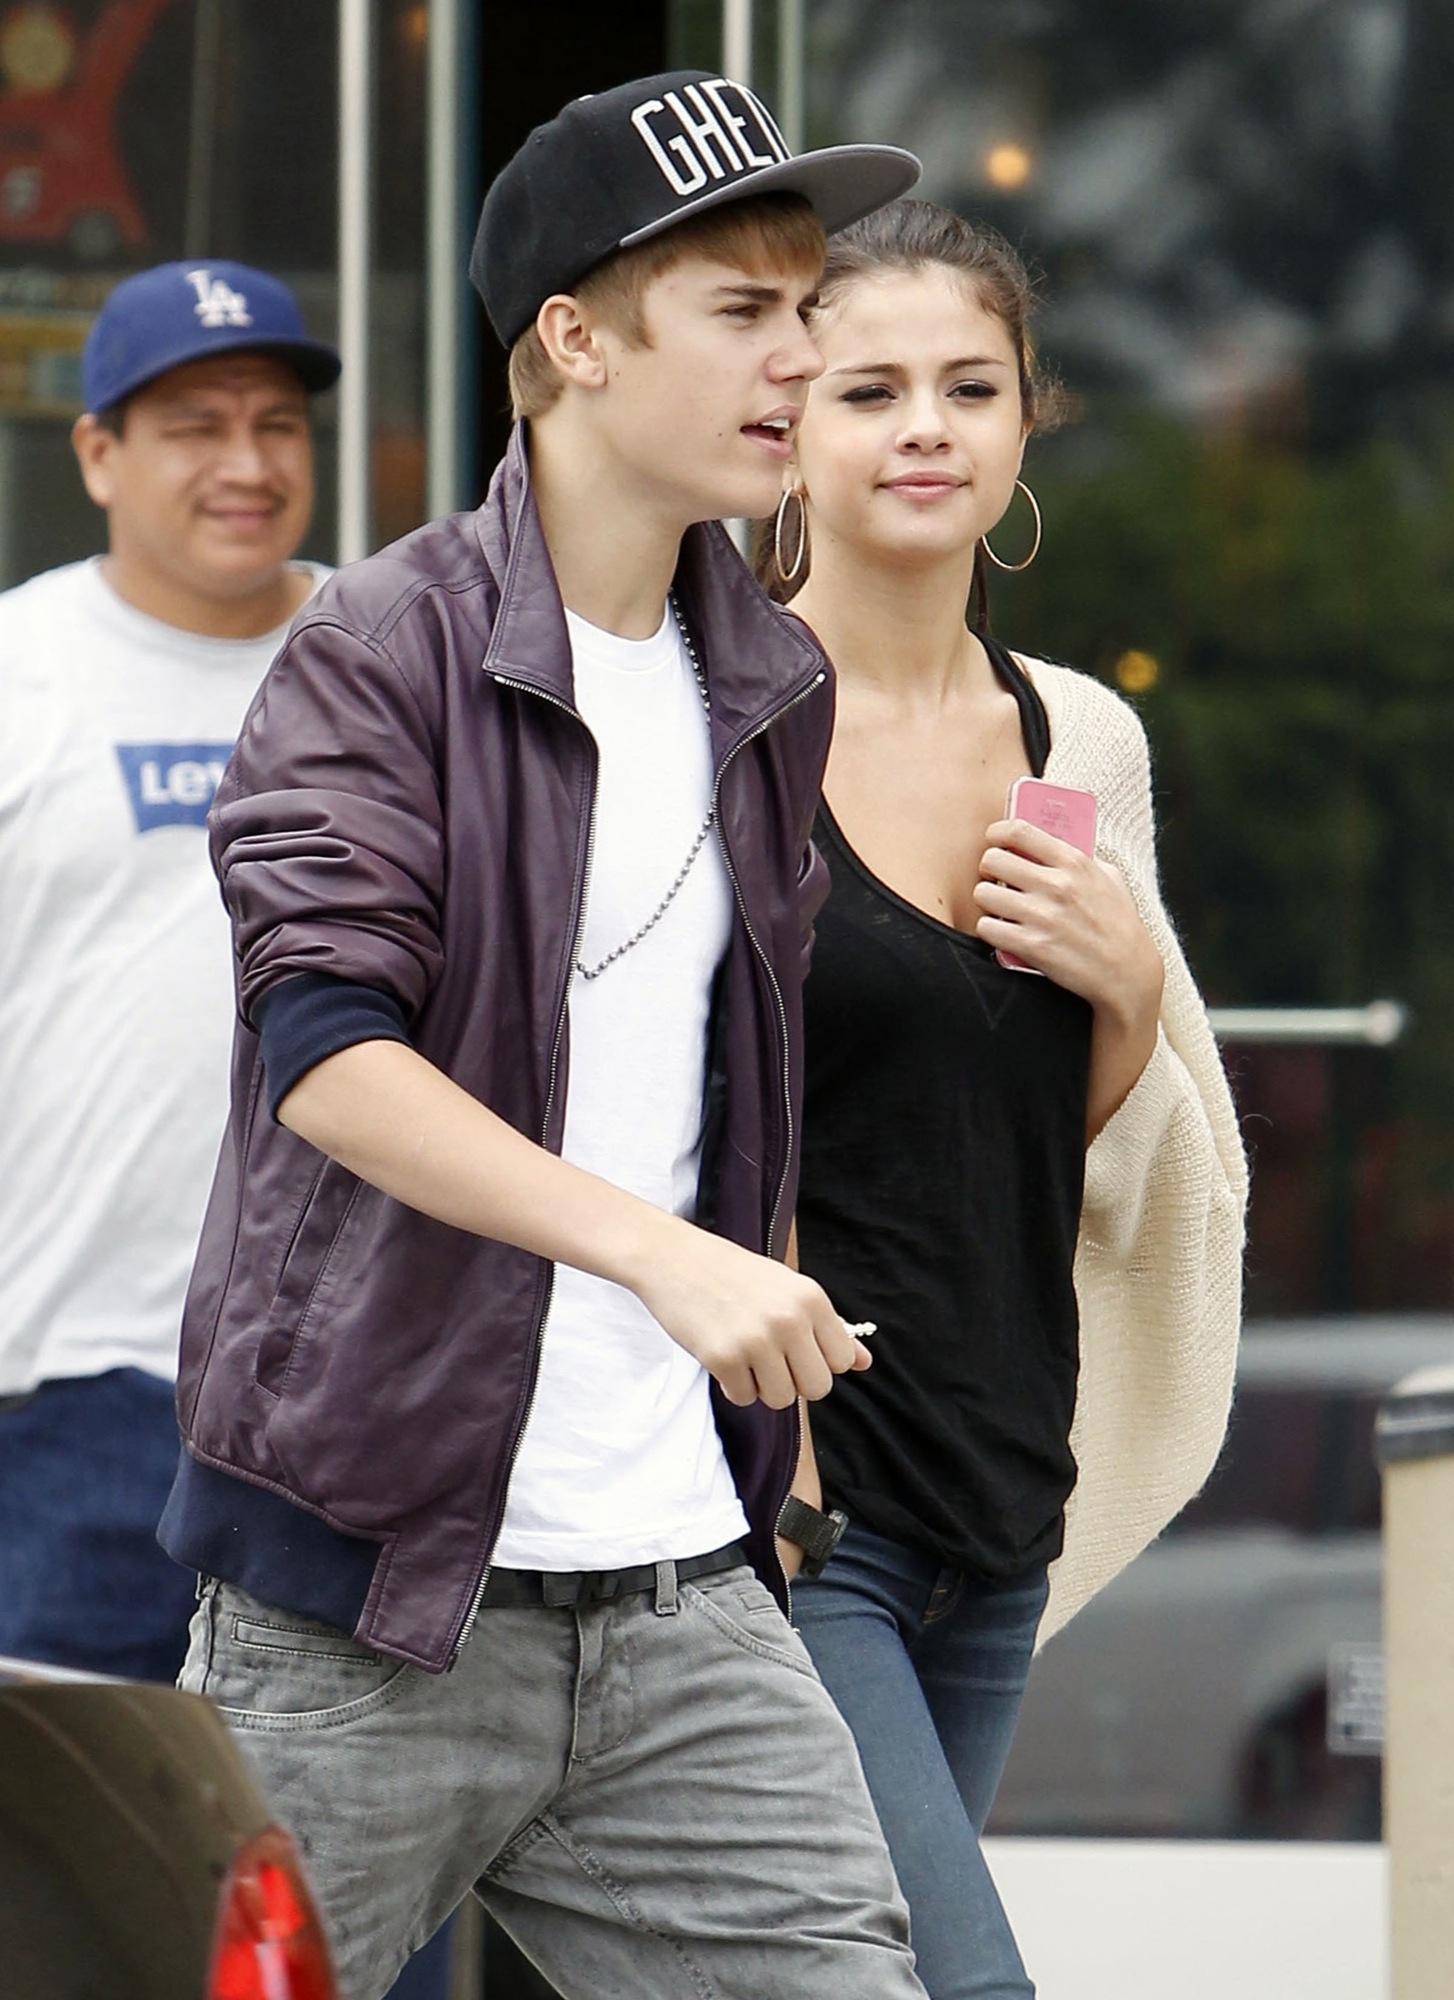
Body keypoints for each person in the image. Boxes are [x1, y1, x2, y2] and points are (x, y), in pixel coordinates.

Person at [159, 75, 930, 2000]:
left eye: (807, 308)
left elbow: (716, 1084)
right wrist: (671, 1258)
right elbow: (329, 1060)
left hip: (679, 1591)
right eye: (743, 311)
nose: (801, 358)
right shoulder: (381, 648)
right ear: (576, 342)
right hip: (368, 1595)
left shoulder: (769, 677)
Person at [759, 199, 1249, 2000]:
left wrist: (1125, 992)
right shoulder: (717, 729)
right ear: (786, 426)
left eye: (969, 387)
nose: (925, 429)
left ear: (1027, 418)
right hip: (802, 1507)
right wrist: (781, 1476)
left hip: (998, 1493)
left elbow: (1109, 1167)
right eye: (869, 388)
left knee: (839, 1978)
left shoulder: (1081, 738)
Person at [0, 259, 337, 1684]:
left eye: (276, 424)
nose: (246, 466)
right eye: (196, 426)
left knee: (336, 1830)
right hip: (73, 1381)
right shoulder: (21, 670)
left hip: (351, 1393)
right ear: (98, 454)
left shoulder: (396, 658)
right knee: (70, 1820)